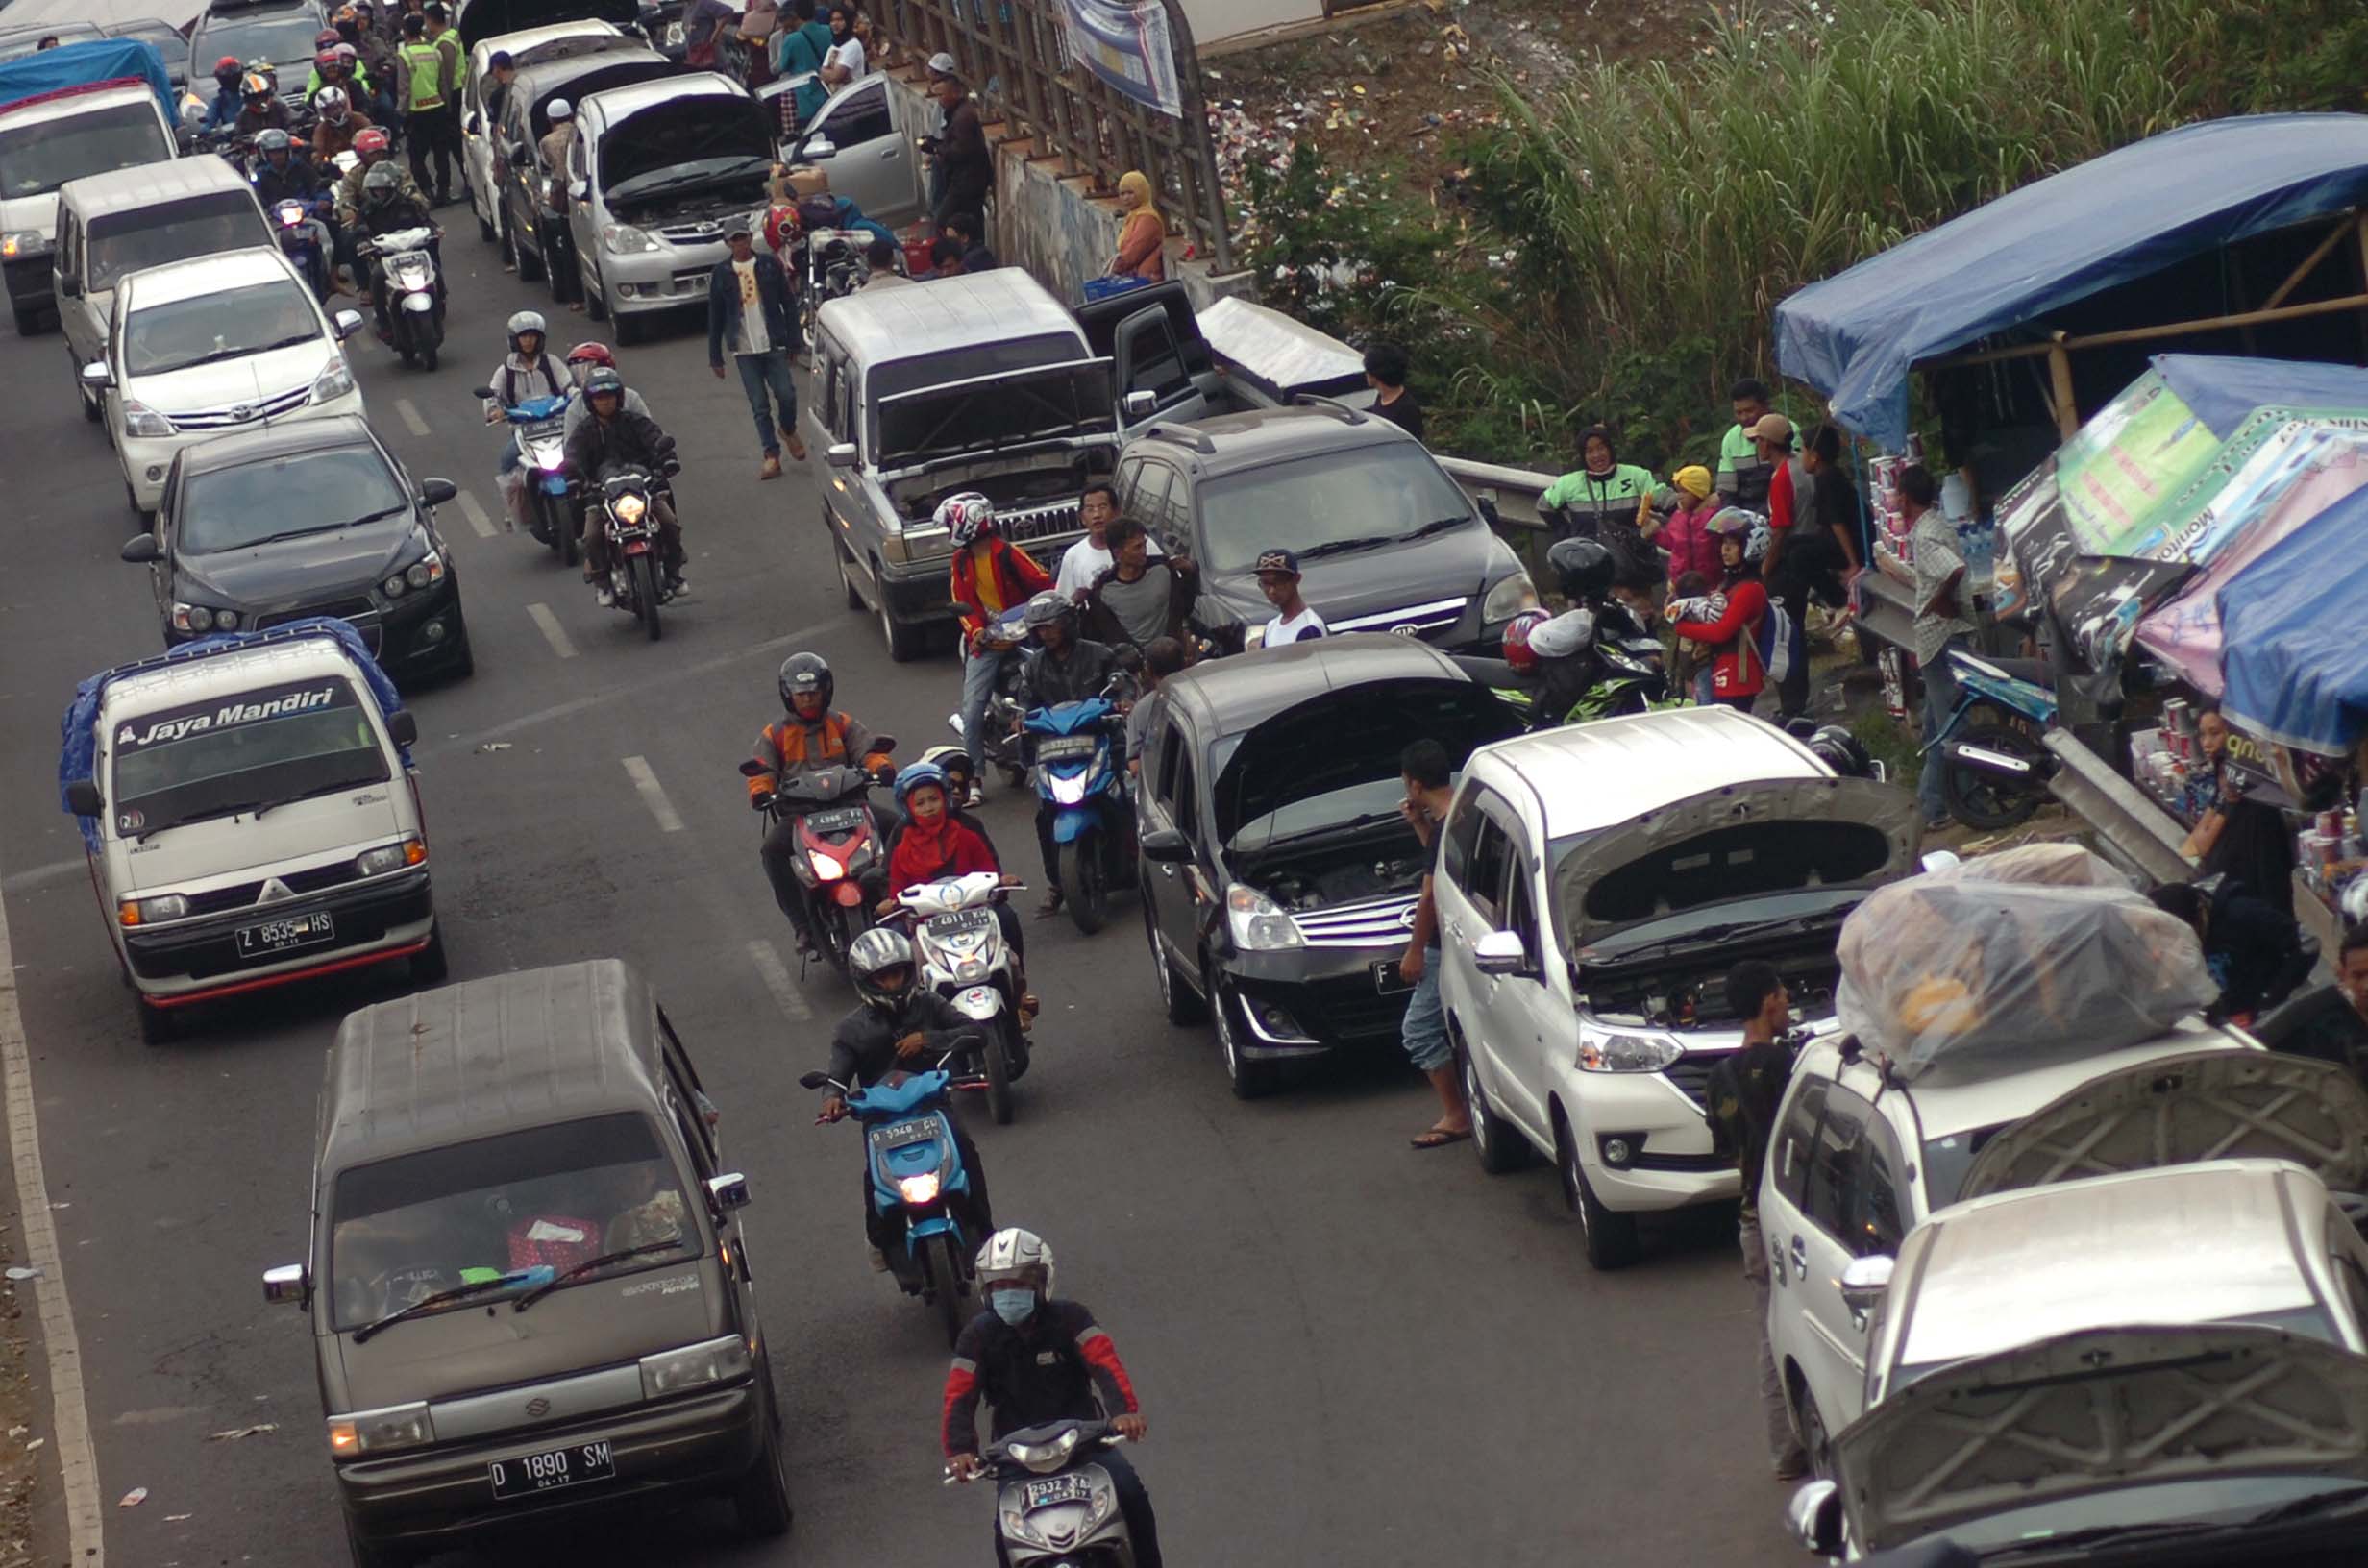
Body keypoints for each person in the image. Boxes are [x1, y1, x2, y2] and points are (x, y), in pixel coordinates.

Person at [943, 1229, 1161, 1568]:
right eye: (999, 1286)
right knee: (1004, 1533)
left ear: (1041, 1282)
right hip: (1015, 1457)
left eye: (1018, 1283)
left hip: (1086, 1444)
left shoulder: (1072, 1318)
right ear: (986, 1290)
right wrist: (960, 1450)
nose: (1008, 1293)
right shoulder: (976, 1336)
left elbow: (1104, 1363)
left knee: (1130, 1492)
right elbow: (959, 1394)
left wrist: (1124, 1413)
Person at [818, 930, 993, 1262]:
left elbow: (975, 1031)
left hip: (931, 1106)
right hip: (881, 1118)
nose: (892, 983)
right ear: (866, 981)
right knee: (874, 1177)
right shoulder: (850, 1029)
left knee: (965, 1151)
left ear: (909, 971)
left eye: (897, 973)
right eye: (883, 977)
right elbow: (837, 1076)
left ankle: (985, 1231)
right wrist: (832, 1097)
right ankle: (881, 1242)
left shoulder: (930, 1003)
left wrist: (928, 1039)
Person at [1703, 960, 1810, 1480]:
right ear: (1769, 1001)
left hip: (1752, 1216)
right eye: (1783, 995)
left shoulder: (1719, 1079)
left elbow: (1724, 1146)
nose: (1787, 1003)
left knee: (1770, 1333)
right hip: (1794, 1211)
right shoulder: (1786, 1064)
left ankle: (1784, 1450)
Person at [753, 653, 897, 953]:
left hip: (852, 806)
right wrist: (761, 791)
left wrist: (882, 767)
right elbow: (762, 771)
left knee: (899, 826)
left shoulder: (843, 724)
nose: (808, 699)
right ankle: (802, 926)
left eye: (813, 693)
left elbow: (869, 751)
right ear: (788, 695)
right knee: (772, 850)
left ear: (826, 691)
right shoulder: (774, 735)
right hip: (800, 815)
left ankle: (900, 897)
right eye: (801, 694)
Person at [1014, 591, 1130, 916]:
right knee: (1045, 815)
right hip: (1056, 750)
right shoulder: (1033, 667)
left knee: (1129, 796)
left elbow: (1123, 685)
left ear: (1067, 623)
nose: (1046, 634)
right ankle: (1056, 882)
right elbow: (1025, 702)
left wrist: (1124, 702)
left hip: (1101, 742)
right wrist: (1020, 719)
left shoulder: (1099, 655)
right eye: (1039, 629)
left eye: (1051, 626)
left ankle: (1142, 859)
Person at [1873, 465, 1973, 830]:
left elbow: (1952, 570)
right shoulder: (1935, 525)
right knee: (1935, 727)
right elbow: (1934, 577)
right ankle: (1930, 805)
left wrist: (1939, 603)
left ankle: (1961, 801)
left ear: (1904, 499)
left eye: (1897, 495)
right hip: (1943, 638)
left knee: (1950, 727)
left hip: (1941, 638)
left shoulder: (1925, 536)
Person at [880, 761, 1029, 1003]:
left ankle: (1018, 996)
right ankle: (910, 1011)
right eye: (920, 803)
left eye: (934, 799)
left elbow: (990, 873)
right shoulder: (901, 849)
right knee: (901, 952)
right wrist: (891, 903)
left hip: (976, 916)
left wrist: (1001, 881)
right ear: (908, 808)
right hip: (926, 925)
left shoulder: (967, 835)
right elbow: (896, 890)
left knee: (1007, 918)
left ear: (945, 798)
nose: (929, 807)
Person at [947, 493, 1053, 795]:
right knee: (972, 711)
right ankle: (974, 778)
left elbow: (1043, 581)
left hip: (1025, 634)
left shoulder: (1008, 553)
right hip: (989, 642)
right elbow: (962, 602)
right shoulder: (960, 561)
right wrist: (977, 630)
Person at [1398, 739, 1469, 1149]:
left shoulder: (1446, 827)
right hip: (1468, 938)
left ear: (1415, 784)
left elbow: (1430, 895)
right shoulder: (1463, 814)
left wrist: (1414, 951)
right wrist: (1419, 825)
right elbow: (1443, 861)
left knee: (1419, 1031)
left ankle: (1457, 1115)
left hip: (1444, 946)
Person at [564, 365, 686, 601]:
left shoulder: (635, 422)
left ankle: (674, 573)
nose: (605, 401)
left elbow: (655, 439)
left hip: (643, 490)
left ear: (618, 397)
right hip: (602, 496)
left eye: (609, 395)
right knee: (591, 535)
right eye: (599, 397)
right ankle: (602, 583)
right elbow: (573, 456)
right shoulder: (583, 431)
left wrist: (667, 458)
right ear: (590, 401)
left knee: (669, 522)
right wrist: (573, 476)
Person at [706, 216, 807, 479]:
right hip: (744, 350)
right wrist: (715, 356)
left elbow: (788, 302)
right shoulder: (721, 273)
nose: (741, 243)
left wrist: (793, 340)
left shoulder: (768, 265)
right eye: (735, 240)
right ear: (727, 243)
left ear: (751, 238)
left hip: (772, 343)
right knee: (759, 405)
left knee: (786, 394)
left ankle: (788, 429)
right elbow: (716, 315)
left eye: (744, 237)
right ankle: (771, 455)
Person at [2181, 703, 2298, 919]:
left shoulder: (2259, 801)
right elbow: (2199, 843)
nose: (2206, 743)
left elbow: (2273, 884)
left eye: (2215, 733)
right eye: (2202, 735)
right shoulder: (2225, 787)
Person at [2148, 879, 2313, 1026]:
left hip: (2276, 1016)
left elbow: (2306, 943)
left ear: (2199, 914)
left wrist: (2267, 1002)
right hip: (2224, 1023)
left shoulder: (2243, 913)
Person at [1539, 424, 1660, 590]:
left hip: (1632, 567)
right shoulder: (1569, 483)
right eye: (1589, 451)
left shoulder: (1636, 476)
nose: (1597, 455)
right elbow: (1544, 506)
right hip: (1588, 569)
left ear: (1610, 449)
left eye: (1601, 448)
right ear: (1583, 455)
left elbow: (1660, 497)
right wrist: (1568, 536)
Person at [1672, 513, 1773, 711]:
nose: (1725, 549)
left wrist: (1681, 627)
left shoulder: (1750, 589)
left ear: (1751, 547)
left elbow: (1721, 632)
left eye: (1732, 544)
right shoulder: (1729, 584)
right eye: (1724, 543)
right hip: (1722, 670)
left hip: (1736, 676)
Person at [482, 310, 566, 530]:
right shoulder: (505, 371)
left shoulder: (552, 363)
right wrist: (495, 410)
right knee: (507, 460)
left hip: (558, 426)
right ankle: (512, 511)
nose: (528, 341)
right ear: (514, 339)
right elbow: (493, 396)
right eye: (523, 336)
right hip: (525, 432)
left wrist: (576, 397)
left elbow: (570, 386)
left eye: (533, 336)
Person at [1082, 517, 1200, 652]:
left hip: (1174, 653)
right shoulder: (1103, 591)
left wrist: (1189, 572)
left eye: (1144, 544)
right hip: (1134, 660)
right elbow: (1104, 632)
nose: (1144, 551)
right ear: (1118, 553)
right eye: (1137, 547)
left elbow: (1185, 606)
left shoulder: (1163, 570)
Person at [353, 161, 437, 337]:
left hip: (413, 254)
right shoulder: (367, 210)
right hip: (385, 258)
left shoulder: (409, 204)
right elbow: (359, 230)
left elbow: (425, 221)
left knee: (435, 269)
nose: (380, 193)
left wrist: (434, 230)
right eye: (376, 190)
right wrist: (363, 242)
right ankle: (384, 323)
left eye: (383, 190)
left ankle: (440, 301)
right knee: (377, 277)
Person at [1056, 484, 1158, 601]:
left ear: (1117, 512)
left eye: (1103, 507)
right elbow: (1064, 601)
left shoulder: (1142, 545)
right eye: (1090, 509)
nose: (1097, 515)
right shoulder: (1073, 556)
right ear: (1082, 518)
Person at [396, 12, 456, 205]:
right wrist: (447, 107)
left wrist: (400, 114)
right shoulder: (434, 52)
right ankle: (444, 192)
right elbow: (443, 84)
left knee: (416, 157)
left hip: (417, 113)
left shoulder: (405, 56)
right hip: (437, 108)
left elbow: (404, 89)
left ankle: (427, 190)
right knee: (441, 154)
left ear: (405, 32)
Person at [926, 70, 990, 232]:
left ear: (955, 93)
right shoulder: (956, 113)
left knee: (943, 222)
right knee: (971, 222)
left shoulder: (963, 118)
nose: (939, 100)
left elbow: (960, 151)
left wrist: (936, 148)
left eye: (941, 95)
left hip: (967, 182)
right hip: (967, 179)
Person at [537, 98, 584, 310]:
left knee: (568, 247)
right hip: (584, 190)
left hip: (563, 197)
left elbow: (548, 164)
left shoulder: (546, 142)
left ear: (550, 120)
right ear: (571, 115)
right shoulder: (580, 133)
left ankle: (576, 298)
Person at [1716, 378, 1777, 508]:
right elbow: (1726, 490)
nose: (1744, 418)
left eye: (1750, 411)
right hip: (1743, 512)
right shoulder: (1731, 438)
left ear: (1765, 406)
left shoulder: (1785, 430)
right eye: (1739, 413)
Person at [1127, 636, 1183, 776]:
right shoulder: (1202, 696)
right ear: (1185, 663)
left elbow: (1134, 767)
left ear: (1148, 669)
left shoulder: (1141, 710)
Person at [1661, 465, 1720, 589]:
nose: (1679, 496)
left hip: (1710, 584)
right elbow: (1670, 543)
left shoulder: (1713, 516)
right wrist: (1655, 534)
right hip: (1680, 584)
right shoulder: (1677, 516)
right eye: (1678, 491)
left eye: (1684, 491)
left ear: (1698, 492)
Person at [775, 0, 834, 124]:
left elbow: (782, 66)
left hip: (807, 99)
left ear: (796, 14)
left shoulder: (791, 39)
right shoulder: (829, 31)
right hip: (832, 93)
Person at [1254, 548, 1325, 645]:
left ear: (1297, 579)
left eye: (1279, 582)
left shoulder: (1309, 627)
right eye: (1265, 583)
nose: (1272, 590)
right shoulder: (1271, 627)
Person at [1106, 170, 1165, 282]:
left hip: (1147, 280)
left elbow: (1133, 253)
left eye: (1130, 193)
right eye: (1122, 194)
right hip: (1138, 277)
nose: (1126, 198)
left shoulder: (1148, 219)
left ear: (1142, 192)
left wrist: (1115, 268)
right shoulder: (1134, 216)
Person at [1364, 343, 1422, 440]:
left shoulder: (1407, 410)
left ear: (1376, 374)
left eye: (1367, 370)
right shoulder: (1381, 397)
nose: (1365, 373)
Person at [311, 86, 373, 160]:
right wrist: (319, 161)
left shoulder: (358, 119)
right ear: (323, 111)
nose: (335, 112)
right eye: (330, 109)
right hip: (336, 165)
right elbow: (317, 149)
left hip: (362, 160)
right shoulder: (321, 129)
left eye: (337, 107)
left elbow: (372, 135)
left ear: (344, 105)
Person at [234, 72, 293, 138]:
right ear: (247, 98)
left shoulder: (280, 107)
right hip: (256, 144)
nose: (260, 100)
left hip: (283, 142)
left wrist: (289, 134)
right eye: (255, 97)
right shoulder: (243, 116)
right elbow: (239, 137)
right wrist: (251, 138)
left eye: (263, 95)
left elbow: (292, 124)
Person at [819, 5, 866, 86]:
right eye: (832, 20)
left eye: (839, 20)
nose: (835, 24)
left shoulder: (853, 45)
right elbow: (822, 72)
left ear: (847, 22)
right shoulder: (833, 47)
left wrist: (831, 74)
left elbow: (836, 76)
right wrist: (831, 74)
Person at [200, 58, 246, 133]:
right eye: (227, 70)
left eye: (234, 69)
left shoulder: (249, 92)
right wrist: (206, 130)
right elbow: (208, 122)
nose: (231, 74)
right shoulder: (218, 102)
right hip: (235, 137)